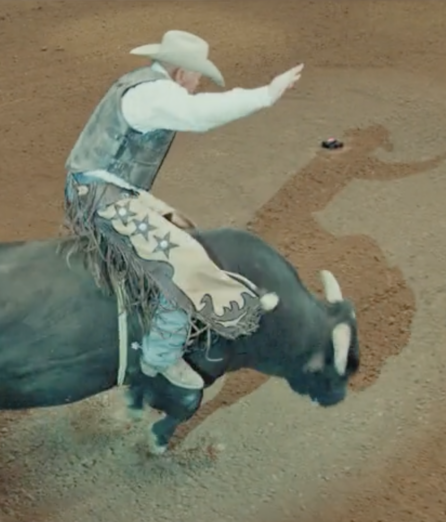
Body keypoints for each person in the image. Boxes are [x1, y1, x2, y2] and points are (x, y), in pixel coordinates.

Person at [63, 30, 304, 391]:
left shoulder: (141, 85)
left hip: (106, 187)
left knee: (185, 231)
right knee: (183, 266)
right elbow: (199, 114)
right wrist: (267, 95)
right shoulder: (155, 95)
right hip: (103, 196)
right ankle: (159, 357)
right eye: (196, 77)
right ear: (180, 73)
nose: (196, 84)